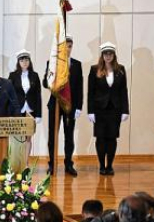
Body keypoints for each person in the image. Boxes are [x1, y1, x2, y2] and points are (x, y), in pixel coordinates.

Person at [43, 35, 84, 176]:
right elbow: (45, 83)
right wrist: (51, 77)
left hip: (70, 105)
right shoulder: (52, 63)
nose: (67, 48)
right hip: (55, 104)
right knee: (52, 136)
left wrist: (79, 106)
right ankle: (52, 165)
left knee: (69, 136)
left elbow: (79, 87)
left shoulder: (77, 65)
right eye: (65, 46)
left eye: (70, 46)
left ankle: (68, 165)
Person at [88, 42, 129, 175]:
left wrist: (125, 110)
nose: (108, 56)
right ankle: (101, 166)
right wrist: (90, 111)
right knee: (100, 138)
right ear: (102, 55)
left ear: (114, 55)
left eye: (110, 53)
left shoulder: (121, 69)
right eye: (105, 53)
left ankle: (109, 165)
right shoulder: (95, 69)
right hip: (99, 110)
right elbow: (91, 92)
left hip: (115, 110)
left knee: (112, 138)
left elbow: (124, 91)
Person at [7, 50, 42, 163]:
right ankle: (16, 162)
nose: (24, 62)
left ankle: (25, 162)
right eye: (22, 60)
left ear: (29, 61)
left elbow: (38, 95)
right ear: (18, 62)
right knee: (17, 137)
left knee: (28, 137)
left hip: (30, 111)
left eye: (27, 60)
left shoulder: (35, 76)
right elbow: (9, 95)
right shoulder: (12, 76)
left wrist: (39, 114)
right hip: (17, 111)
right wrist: (9, 113)